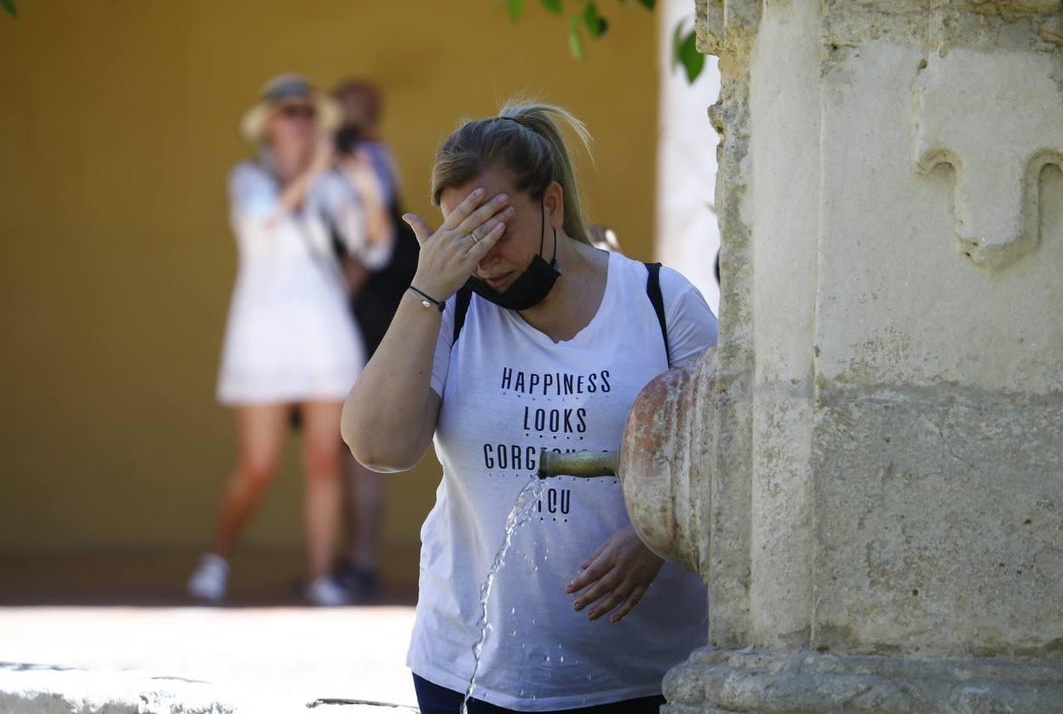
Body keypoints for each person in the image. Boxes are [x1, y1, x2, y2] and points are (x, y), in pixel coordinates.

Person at [341, 102, 718, 712]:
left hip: (643, 677)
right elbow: (378, 446)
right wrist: (425, 289)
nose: (482, 254)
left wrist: (660, 536)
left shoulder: (659, 301)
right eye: (462, 234)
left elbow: (731, 452)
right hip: (469, 674)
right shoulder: (452, 308)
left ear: (552, 204)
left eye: (496, 225)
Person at [187, 73, 392, 607]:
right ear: (269, 126)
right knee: (258, 464)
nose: (301, 121)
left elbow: (374, 248)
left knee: (324, 461)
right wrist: (318, 171)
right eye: (289, 112)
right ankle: (217, 558)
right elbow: (264, 225)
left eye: (307, 112)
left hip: (325, 332)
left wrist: (368, 188)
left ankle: (321, 575)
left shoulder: (331, 184)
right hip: (262, 333)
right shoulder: (248, 178)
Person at [329, 78, 420, 601]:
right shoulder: (347, 158)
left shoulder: (366, 159)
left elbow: (374, 242)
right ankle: (349, 559)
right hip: (356, 310)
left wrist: (334, 301)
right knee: (342, 441)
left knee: (359, 441)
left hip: (363, 312)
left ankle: (360, 561)